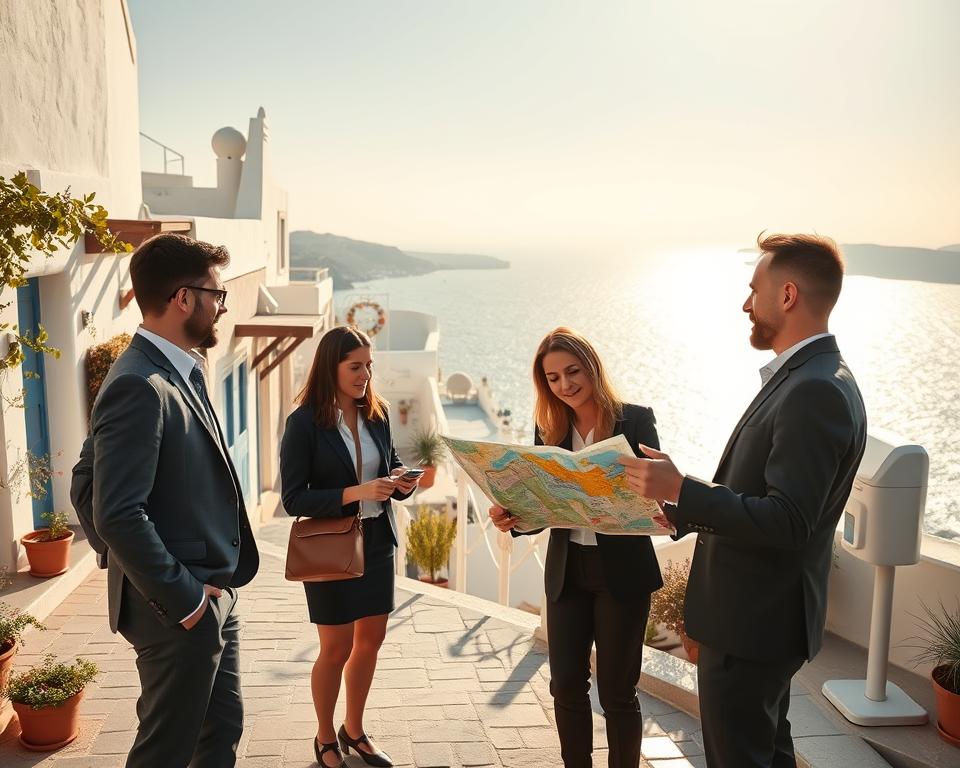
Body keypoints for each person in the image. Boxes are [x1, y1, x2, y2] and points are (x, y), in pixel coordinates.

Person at [620, 233, 867, 768]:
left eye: (754, 289)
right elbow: (766, 496)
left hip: (752, 625)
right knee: (769, 753)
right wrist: (679, 506)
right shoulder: (815, 377)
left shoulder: (813, 390)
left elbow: (790, 519)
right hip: (764, 622)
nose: (745, 302)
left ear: (788, 295)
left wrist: (682, 488)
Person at [91, 232, 260, 767]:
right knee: (166, 750)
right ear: (183, 299)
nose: (221, 307)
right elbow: (113, 508)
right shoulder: (138, 383)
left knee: (219, 735)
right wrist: (184, 599)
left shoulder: (178, 369)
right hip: (179, 611)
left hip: (215, 593)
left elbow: (84, 475)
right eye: (216, 295)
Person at [489, 327, 663, 768]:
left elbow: (657, 494)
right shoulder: (547, 428)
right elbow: (539, 507)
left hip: (621, 571)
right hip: (568, 571)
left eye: (572, 371)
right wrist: (513, 519)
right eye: (552, 378)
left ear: (591, 367)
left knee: (618, 691)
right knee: (565, 683)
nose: (565, 385)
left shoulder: (635, 419)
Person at [280, 326, 420, 768]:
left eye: (368, 365)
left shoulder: (375, 414)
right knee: (336, 648)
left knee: (371, 641)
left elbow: (389, 463)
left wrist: (400, 483)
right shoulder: (303, 423)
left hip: (378, 541)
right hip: (331, 547)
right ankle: (324, 737)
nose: (365, 374)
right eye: (355, 366)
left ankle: (354, 729)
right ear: (331, 367)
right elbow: (293, 499)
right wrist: (356, 492)